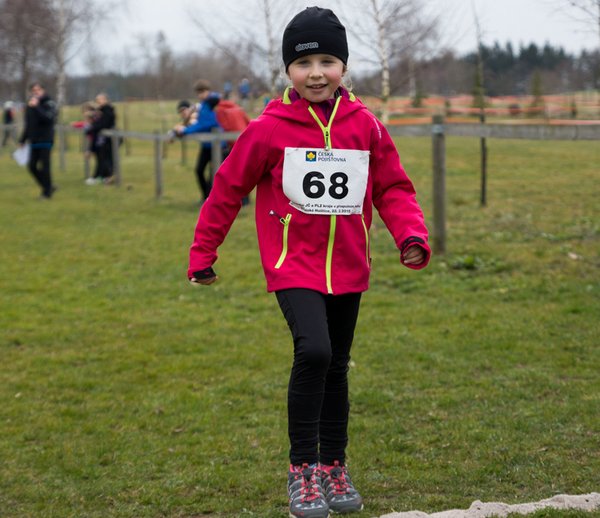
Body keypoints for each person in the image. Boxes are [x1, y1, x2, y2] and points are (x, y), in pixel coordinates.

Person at [187, 6, 430, 517]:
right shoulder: (268, 129)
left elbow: (392, 187)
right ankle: (302, 469)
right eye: (303, 64)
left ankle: (334, 465)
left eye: (326, 61)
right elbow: (226, 190)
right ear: (288, 71)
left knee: (336, 364)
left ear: (343, 66)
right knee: (315, 351)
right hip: (292, 263)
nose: (316, 73)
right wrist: (203, 251)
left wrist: (409, 233)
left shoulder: (366, 126)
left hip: (349, 265)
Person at [175, 79, 224, 202]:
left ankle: (209, 201)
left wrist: (185, 130)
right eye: (198, 92)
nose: (200, 95)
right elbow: (199, 123)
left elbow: (204, 124)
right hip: (206, 145)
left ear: (208, 91)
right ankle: (206, 198)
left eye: (203, 92)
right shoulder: (203, 105)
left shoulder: (212, 103)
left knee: (214, 176)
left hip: (217, 145)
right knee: (199, 170)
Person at [18, 82, 58, 199]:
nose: (36, 92)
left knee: (45, 167)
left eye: (38, 90)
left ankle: (46, 193)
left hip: (45, 139)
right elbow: (28, 124)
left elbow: (48, 119)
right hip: (34, 140)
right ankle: (48, 186)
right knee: (32, 166)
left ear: (43, 90)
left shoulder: (49, 103)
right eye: (34, 90)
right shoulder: (30, 106)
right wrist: (22, 140)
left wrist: (37, 107)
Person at [85, 92, 116, 185]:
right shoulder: (100, 111)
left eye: (99, 100)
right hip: (100, 139)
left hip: (107, 139)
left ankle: (107, 177)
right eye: (97, 100)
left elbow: (103, 124)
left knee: (106, 159)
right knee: (101, 159)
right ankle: (101, 177)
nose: (98, 102)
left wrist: (92, 128)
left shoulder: (108, 111)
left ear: (105, 100)